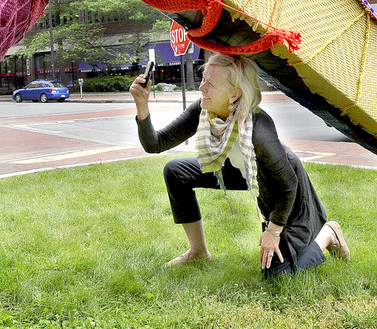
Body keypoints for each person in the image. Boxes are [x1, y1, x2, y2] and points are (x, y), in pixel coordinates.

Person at [129, 52, 350, 276]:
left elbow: (288, 185)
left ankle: (328, 233)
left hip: (279, 185)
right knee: (176, 172)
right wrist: (142, 104)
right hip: (241, 171)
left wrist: (273, 231)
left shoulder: (259, 130)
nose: (202, 87)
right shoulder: (205, 108)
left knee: (278, 274)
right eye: (203, 79)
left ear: (234, 94)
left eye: (210, 83)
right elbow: (155, 143)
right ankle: (198, 251)